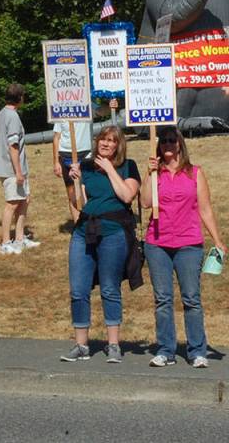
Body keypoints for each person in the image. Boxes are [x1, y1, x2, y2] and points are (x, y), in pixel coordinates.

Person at [139, 126, 226, 368]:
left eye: (172, 140)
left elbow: (205, 208)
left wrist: (217, 239)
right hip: (158, 244)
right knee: (163, 299)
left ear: (180, 144)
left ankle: (197, 350)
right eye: (163, 141)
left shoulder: (195, 173)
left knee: (191, 298)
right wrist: (149, 174)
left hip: (188, 243)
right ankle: (166, 350)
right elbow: (145, 202)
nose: (168, 145)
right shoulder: (155, 174)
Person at [61, 126, 141, 363]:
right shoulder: (86, 167)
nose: (105, 144)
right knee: (78, 289)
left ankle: (113, 344)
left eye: (111, 141)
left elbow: (127, 196)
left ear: (118, 145)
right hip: (85, 230)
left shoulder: (128, 165)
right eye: (102, 139)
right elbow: (79, 203)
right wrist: (73, 182)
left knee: (109, 288)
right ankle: (81, 345)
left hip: (114, 232)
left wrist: (109, 169)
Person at [0, 83, 38, 254]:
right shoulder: (11, 116)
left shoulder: (3, 113)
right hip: (11, 169)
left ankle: (20, 238)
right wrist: (18, 172)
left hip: (15, 168)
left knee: (24, 200)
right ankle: (5, 242)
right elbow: (13, 146)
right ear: (19, 97)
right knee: (11, 204)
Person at [53, 120, 92, 223]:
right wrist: (56, 162)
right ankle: (77, 225)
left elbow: (102, 111)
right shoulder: (61, 113)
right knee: (72, 193)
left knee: (87, 190)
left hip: (86, 154)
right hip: (66, 155)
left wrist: (111, 104)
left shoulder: (87, 107)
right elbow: (56, 137)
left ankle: (90, 222)